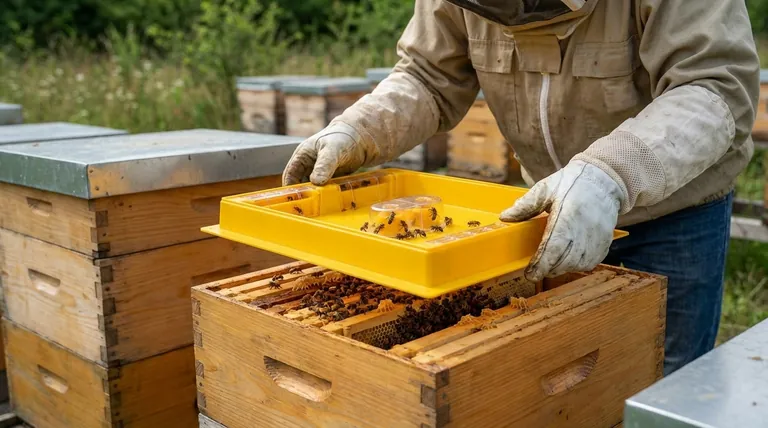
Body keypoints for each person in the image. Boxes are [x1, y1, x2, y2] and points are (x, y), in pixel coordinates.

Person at [282, 0, 760, 375]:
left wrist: (611, 173)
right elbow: (428, 76)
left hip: (673, 215)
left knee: (664, 381)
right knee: (565, 374)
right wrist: (359, 130)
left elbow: (713, 87)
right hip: (548, 216)